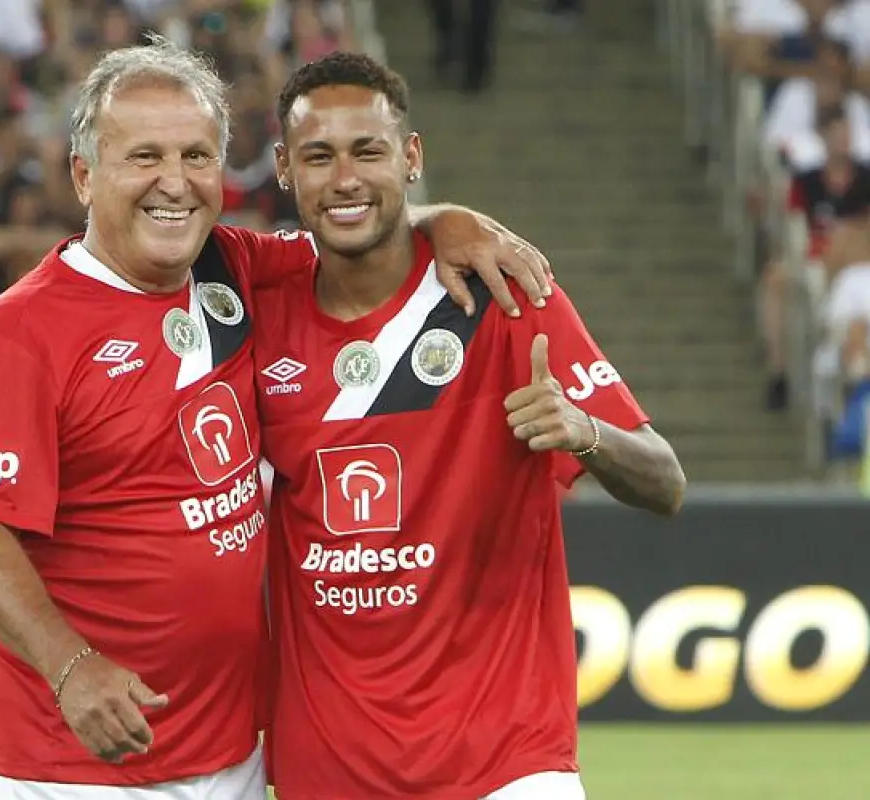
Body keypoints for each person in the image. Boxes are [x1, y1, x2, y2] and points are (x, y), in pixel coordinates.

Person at [0, 39, 552, 800]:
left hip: (229, 753)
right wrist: (70, 667)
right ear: (84, 175)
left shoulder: (232, 267)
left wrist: (443, 218)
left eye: (196, 156)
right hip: (65, 762)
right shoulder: (18, 335)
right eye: (144, 156)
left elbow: (356, 224)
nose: (174, 182)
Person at [255, 52, 686, 800]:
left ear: (411, 157)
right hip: (328, 768)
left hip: (506, 764)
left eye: (368, 151)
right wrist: (441, 215)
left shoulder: (502, 293)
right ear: (284, 169)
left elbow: (665, 481)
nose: (345, 177)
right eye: (319, 157)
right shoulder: (255, 305)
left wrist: (583, 429)